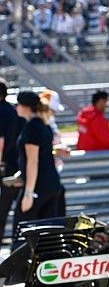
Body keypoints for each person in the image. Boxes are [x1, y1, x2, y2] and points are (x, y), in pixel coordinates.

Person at [12, 91, 62, 247]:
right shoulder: (43, 125)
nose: (16, 107)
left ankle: (20, 270)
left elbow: (33, 161)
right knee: (46, 234)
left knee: (22, 232)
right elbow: (44, 155)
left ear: (26, 107)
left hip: (38, 187)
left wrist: (29, 193)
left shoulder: (32, 128)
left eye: (18, 104)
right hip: (51, 184)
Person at [38, 89, 70, 217]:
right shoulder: (39, 125)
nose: (54, 112)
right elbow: (40, 151)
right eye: (52, 109)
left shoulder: (50, 123)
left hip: (52, 173)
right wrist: (56, 151)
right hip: (45, 176)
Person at [0, 79, 20, 246]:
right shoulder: (12, 110)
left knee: (2, 209)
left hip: (4, 166)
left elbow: (0, 140)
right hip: (14, 164)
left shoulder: (1, 111)